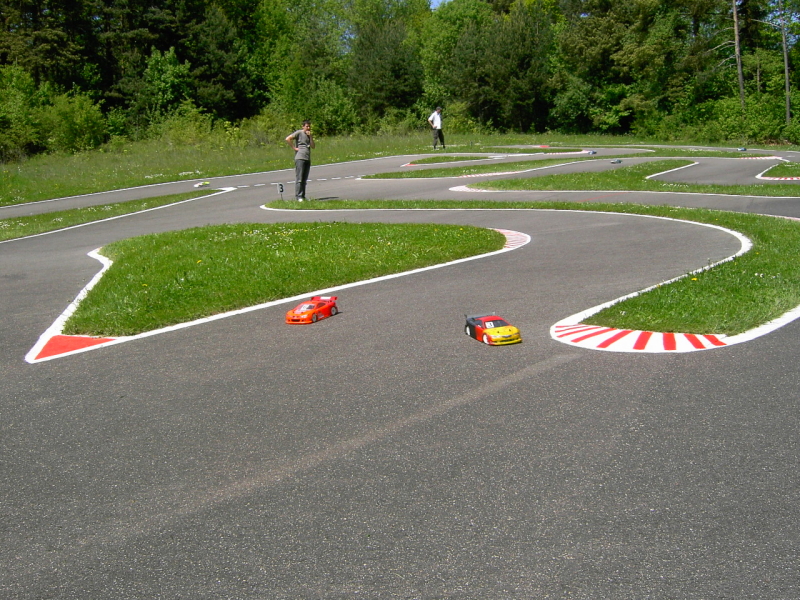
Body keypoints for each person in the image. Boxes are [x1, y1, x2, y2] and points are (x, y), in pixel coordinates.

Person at [285, 120, 315, 201]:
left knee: (304, 179)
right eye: (306, 126)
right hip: (300, 157)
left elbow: (313, 146)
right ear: (303, 126)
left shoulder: (309, 135)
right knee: (300, 178)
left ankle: (303, 196)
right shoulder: (299, 133)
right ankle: (299, 196)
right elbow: (288, 139)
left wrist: (311, 137)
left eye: (309, 126)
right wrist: (294, 148)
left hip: (307, 158)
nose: (308, 128)